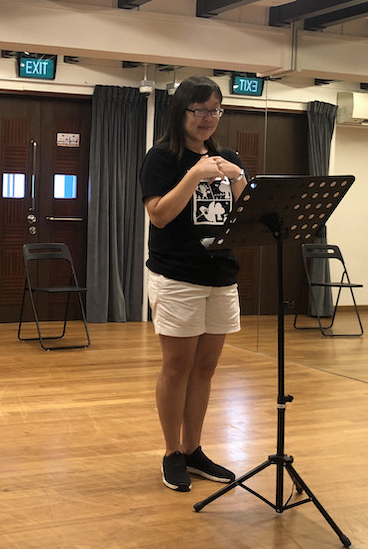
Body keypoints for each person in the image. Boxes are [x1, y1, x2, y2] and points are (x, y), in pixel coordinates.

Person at [139, 76, 248, 492]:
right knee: (177, 366)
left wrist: (237, 179)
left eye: (215, 110)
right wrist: (195, 174)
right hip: (176, 275)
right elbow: (160, 215)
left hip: (221, 275)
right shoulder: (162, 158)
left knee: (205, 368)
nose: (208, 119)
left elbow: (243, 215)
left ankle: (193, 448)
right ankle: (171, 453)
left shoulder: (228, 157)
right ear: (181, 111)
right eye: (200, 110)